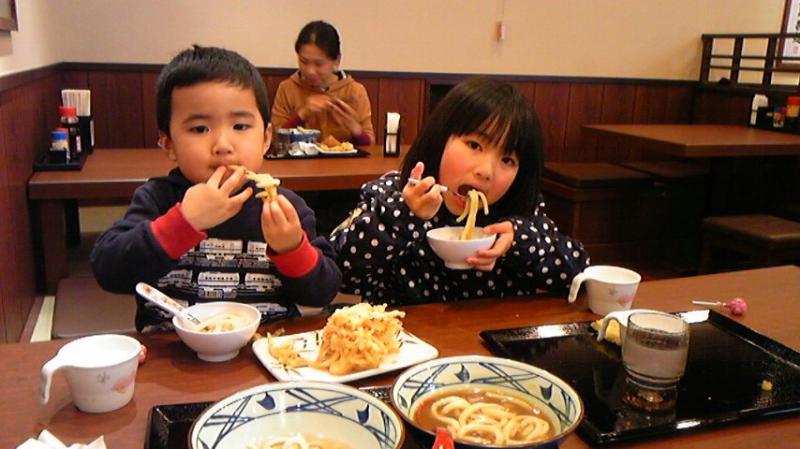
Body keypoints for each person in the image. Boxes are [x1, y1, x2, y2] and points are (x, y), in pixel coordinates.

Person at [91, 46, 341, 333]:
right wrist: (183, 223)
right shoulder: (158, 199)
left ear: (266, 138)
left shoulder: (284, 208)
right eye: (200, 129)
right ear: (169, 144)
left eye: (240, 126)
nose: (223, 144)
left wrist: (291, 248)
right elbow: (108, 271)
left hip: (265, 349)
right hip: (171, 351)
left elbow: (323, 293)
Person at [330, 77, 590, 305]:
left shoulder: (519, 215)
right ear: (441, 139)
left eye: (507, 160)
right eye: (474, 145)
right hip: (402, 339)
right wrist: (404, 215)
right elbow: (340, 274)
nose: (486, 171)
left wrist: (520, 242)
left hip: (492, 340)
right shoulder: (391, 195)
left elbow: (579, 274)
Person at [271, 20, 374, 146]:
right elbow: (275, 140)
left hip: (344, 159)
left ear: (337, 60)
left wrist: (353, 127)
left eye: (318, 64)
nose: (310, 71)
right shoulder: (287, 88)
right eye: (304, 61)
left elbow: (370, 145)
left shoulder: (354, 91)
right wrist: (302, 114)